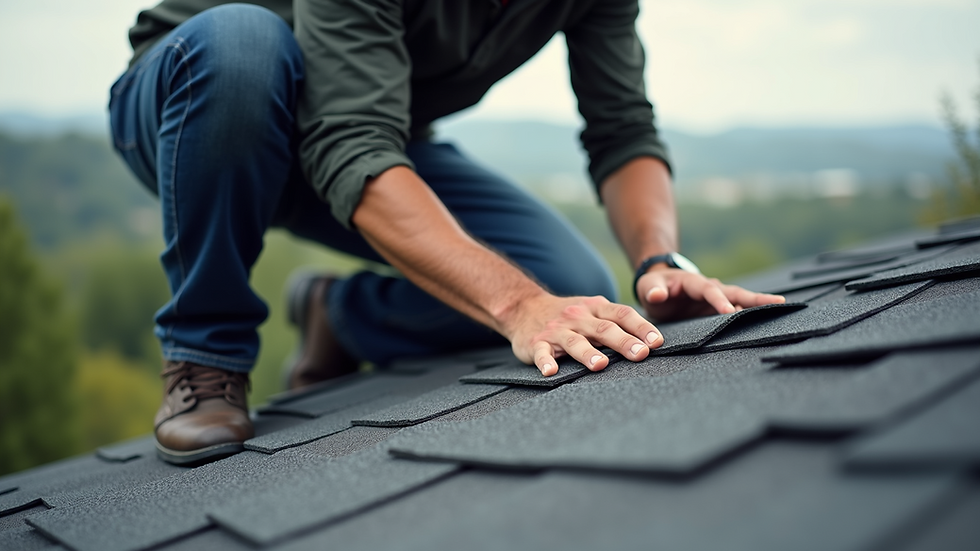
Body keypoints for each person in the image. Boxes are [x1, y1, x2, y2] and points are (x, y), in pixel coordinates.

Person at [110, 0, 783, 465]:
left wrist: (658, 259)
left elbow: (623, 126)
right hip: (198, 110)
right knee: (242, 41)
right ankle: (205, 356)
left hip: (359, 132)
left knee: (569, 289)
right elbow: (353, 145)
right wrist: (517, 307)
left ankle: (339, 317)